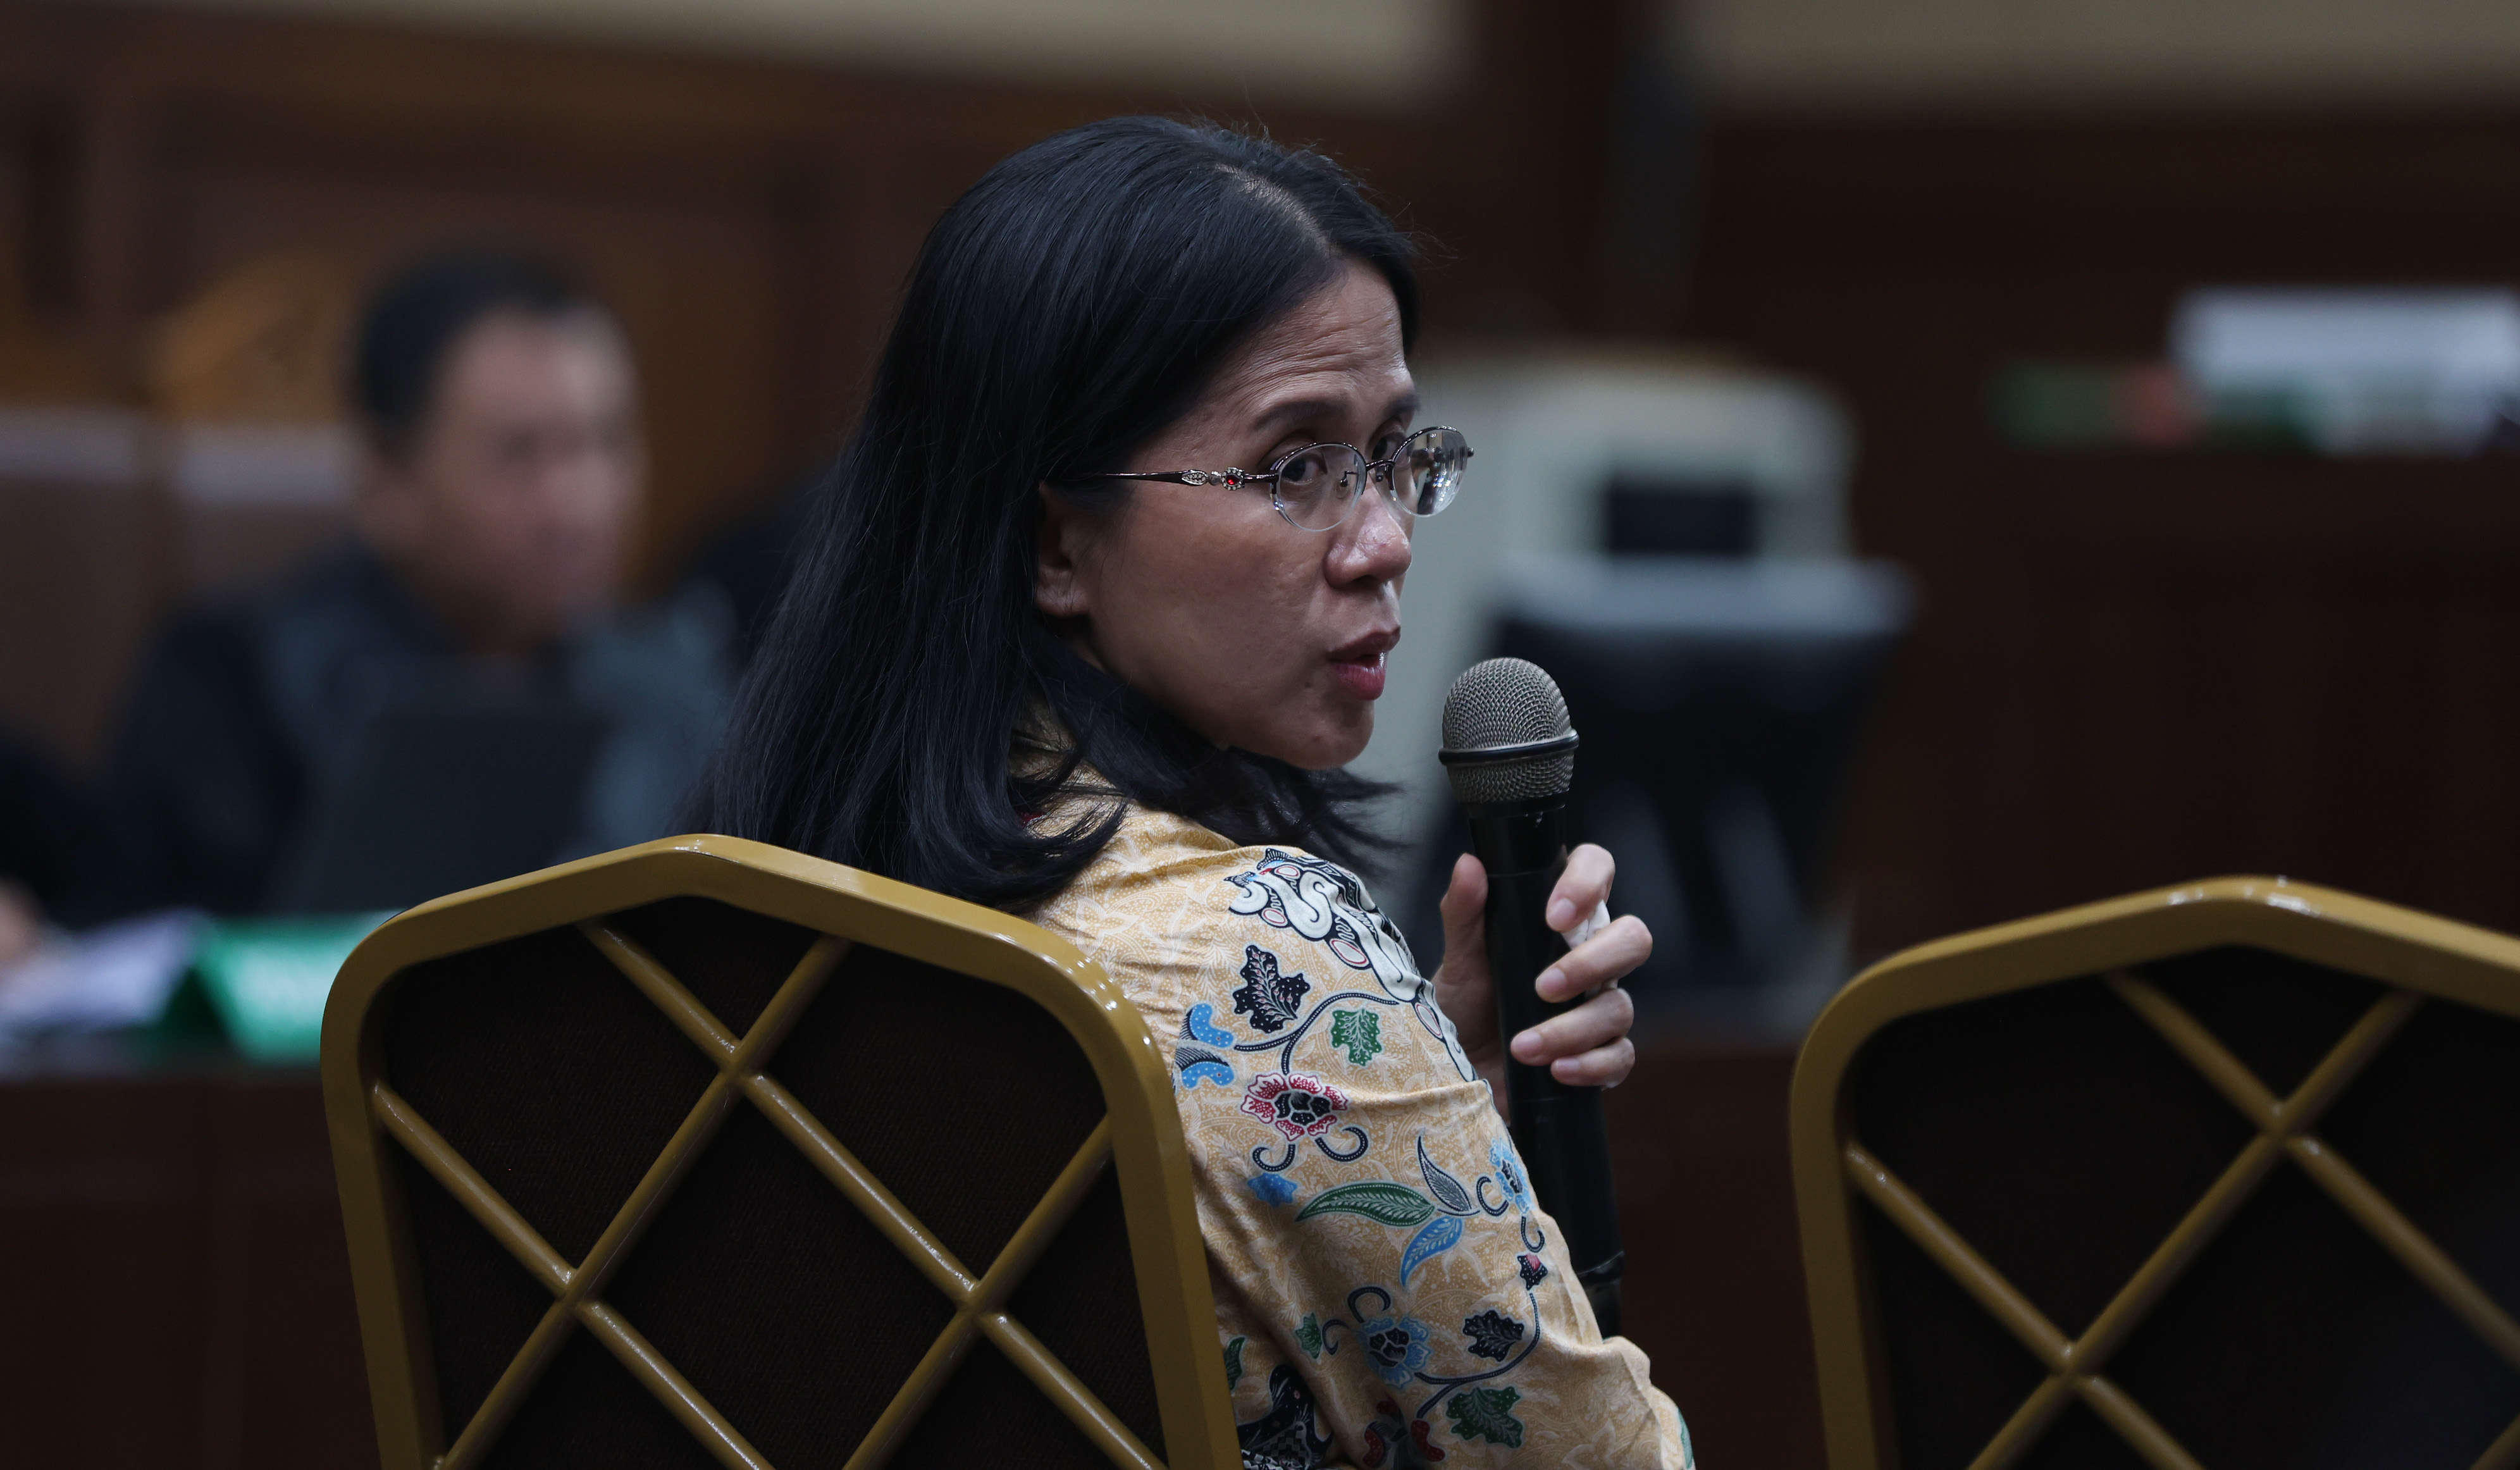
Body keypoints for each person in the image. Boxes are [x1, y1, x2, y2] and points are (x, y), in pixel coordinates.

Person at [698, 119, 1692, 1467]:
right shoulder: (1270, 957)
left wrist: (1435, 1119)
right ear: (1056, 541)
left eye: (1396, 451)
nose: (1387, 536)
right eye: (1295, 467)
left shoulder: (750, 902)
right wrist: (1360, 1029)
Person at [99, 246, 732, 917]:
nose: (578, 504)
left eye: (606, 442)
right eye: (520, 452)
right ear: (385, 480)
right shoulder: (235, 684)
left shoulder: (677, 680)